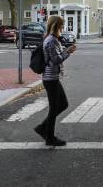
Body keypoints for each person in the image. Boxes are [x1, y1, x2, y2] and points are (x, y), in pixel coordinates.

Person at [34, 16, 76, 146]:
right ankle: (49, 137)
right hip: (50, 78)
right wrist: (68, 51)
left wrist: (64, 51)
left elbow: (56, 57)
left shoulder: (51, 39)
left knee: (62, 104)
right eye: (62, 25)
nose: (63, 28)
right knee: (54, 108)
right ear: (56, 26)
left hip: (53, 77)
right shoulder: (51, 40)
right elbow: (55, 60)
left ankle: (43, 128)